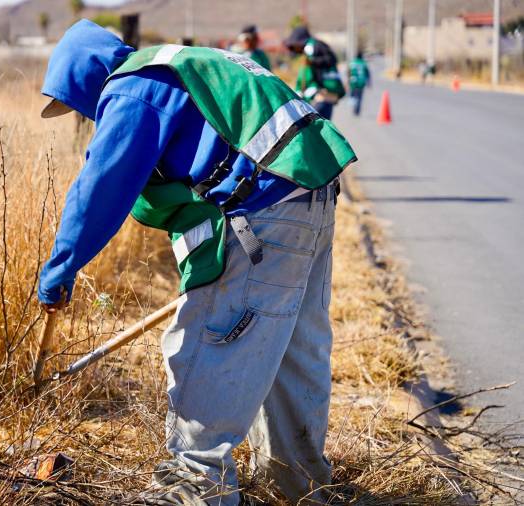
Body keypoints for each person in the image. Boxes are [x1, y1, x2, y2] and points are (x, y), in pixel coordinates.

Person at [38, 20, 356, 505]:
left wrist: (60, 268)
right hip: (310, 196)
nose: (83, 114)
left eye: (76, 103)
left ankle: (195, 485)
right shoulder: (180, 64)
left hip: (265, 211)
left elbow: (100, 188)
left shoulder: (135, 85)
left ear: (85, 79)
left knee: (210, 342)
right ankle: (301, 484)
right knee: (289, 349)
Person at [284, 26, 345, 120]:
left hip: (323, 93)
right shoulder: (318, 45)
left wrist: (301, 91)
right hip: (328, 93)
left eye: (294, 46)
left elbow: (309, 74)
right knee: (323, 122)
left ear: (299, 41)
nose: (294, 49)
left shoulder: (310, 48)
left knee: (317, 123)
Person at [348, 52, 371, 116]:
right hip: (361, 82)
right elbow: (367, 73)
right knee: (359, 97)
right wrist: (369, 83)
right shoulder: (363, 63)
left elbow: (348, 72)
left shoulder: (352, 63)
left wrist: (348, 80)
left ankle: (353, 107)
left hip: (353, 82)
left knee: (353, 96)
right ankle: (357, 110)